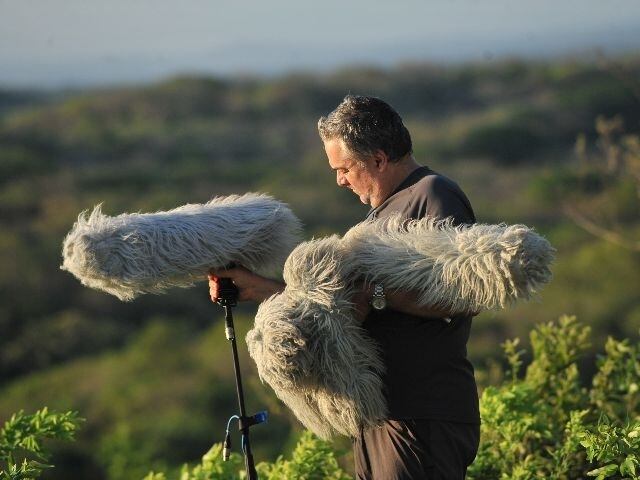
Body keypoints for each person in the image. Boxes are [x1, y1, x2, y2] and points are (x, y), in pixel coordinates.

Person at [209, 95, 480, 479]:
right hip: (379, 415)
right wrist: (260, 289)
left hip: (421, 414)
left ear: (378, 160)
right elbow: (344, 304)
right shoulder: (381, 213)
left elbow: (465, 294)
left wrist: (375, 295)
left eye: (344, 168)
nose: (339, 180)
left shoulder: (433, 194)